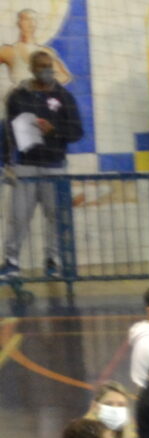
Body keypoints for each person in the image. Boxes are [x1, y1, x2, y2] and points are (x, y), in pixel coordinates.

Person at [3, 47, 80, 279]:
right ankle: (11, 261)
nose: (46, 71)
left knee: (55, 215)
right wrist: (6, 161)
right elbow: (7, 130)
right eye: (41, 67)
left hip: (54, 165)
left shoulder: (64, 97)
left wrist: (53, 130)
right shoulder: (17, 96)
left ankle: (52, 261)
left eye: (49, 67)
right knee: (18, 215)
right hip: (25, 165)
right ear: (32, 69)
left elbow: (77, 132)